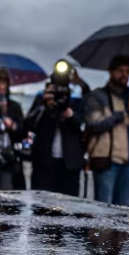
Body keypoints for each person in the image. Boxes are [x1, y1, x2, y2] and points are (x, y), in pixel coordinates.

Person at [83, 54, 129, 206]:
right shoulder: (97, 96)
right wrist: (121, 114)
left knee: (125, 212)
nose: (124, 75)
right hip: (107, 161)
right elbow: (94, 124)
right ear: (111, 72)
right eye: (120, 71)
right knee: (104, 210)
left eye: (127, 71)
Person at [26, 63, 85, 196]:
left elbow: (84, 126)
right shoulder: (43, 98)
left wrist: (69, 115)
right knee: (42, 207)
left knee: (69, 209)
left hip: (70, 164)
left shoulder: (76, 99)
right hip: (44, 163)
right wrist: (44, 106)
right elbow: (29, 124)